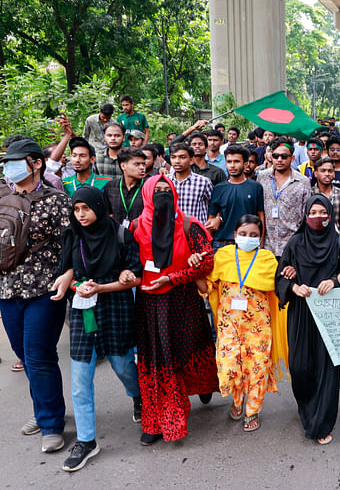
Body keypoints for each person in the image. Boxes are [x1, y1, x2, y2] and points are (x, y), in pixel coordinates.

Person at [52, 187, 142, 471]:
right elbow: (66, 269)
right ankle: (87, 441)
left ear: (99, 208)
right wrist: (71, 282)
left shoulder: (121, 235)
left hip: (115, 305)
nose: (81, 215)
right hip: (84, 309)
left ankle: (139, 396)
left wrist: (110, 283)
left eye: (86, 209)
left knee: (123, 365)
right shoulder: (72, 234)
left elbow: (134, 275)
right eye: (77, 210)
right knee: (80, 377)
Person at [132, 175, 218, 444]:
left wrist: (175, 277)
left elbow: (206, 263)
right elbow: (129, 263)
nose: (161, 196)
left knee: (189, 350)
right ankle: (162, 419)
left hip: (183, 301)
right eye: (155, 191)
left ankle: (202, 385)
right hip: (149, 304)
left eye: (165, 191)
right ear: (146, 195)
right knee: (159, 359)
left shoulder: (190, 224)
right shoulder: (135, 227)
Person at [0, 139, 72, 453]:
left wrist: (68, 274)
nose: (9, 167)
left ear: (36, 163)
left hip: (45, 288)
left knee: (39, 354)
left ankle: (51, 423)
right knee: (25, 354)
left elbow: (73, 244)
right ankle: (46, 407)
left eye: (17, 161)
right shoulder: (2, 198)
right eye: (7, 162)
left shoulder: (56, 199)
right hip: (7, 288)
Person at [276, 196, 340, 444]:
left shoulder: (339, 243)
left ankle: (322, 422)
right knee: (300, 367)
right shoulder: (296, 243)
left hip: (330, 315)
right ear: (305, 215)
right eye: (313, 212)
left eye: (323, 212)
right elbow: (281, 275)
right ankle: (307, 409)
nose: (318, 216)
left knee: (328, 369)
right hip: (301, 312)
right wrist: (292, 287)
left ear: (330, 216)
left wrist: (335, 279)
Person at [207, 215, 281, 432]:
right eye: (243, 234)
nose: (248, 238)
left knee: (256, 368)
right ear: (234, 235)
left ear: (260, 238)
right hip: (228, 324)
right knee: (231, 366)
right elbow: (208, 285)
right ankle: (238, 401)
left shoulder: (267, 259)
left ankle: (252, 410)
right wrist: (193, 269)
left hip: (258, 327)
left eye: (253, 235)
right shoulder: (223, 256)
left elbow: (278, 288)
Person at [258, 138, 311, 259]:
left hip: (293, 246)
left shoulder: (303, 181)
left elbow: (305, 215)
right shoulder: (262, 177)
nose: (279, 160)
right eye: (276, 156)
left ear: (292, 158)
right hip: (266, 246)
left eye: (284, 156)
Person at [206, 146, 265, 250]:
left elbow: (260, 215)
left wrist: (261, 239)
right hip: (221, 243)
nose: (232, 165)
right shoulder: (218, 189)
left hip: (247, 242)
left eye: (236, 161)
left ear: (245, 164)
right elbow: (211, 219)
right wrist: (208, 246)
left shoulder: (256, 187)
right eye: (229, 162)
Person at [167, 142, 214, 222]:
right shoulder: (165, 182)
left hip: (195, 231)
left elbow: (213, 207)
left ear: (191, 160)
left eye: (182, 157)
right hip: (171, 231)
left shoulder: (203, 182)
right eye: (173, 157)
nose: (177, 161)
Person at [103, 148, 146, 226]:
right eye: (137, 164)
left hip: (141, 234)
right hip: (116, 234)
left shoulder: (148, 187)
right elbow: (107, 214)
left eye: (143, 164)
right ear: (123, 166)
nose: (142, 168)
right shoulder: (110, 187)